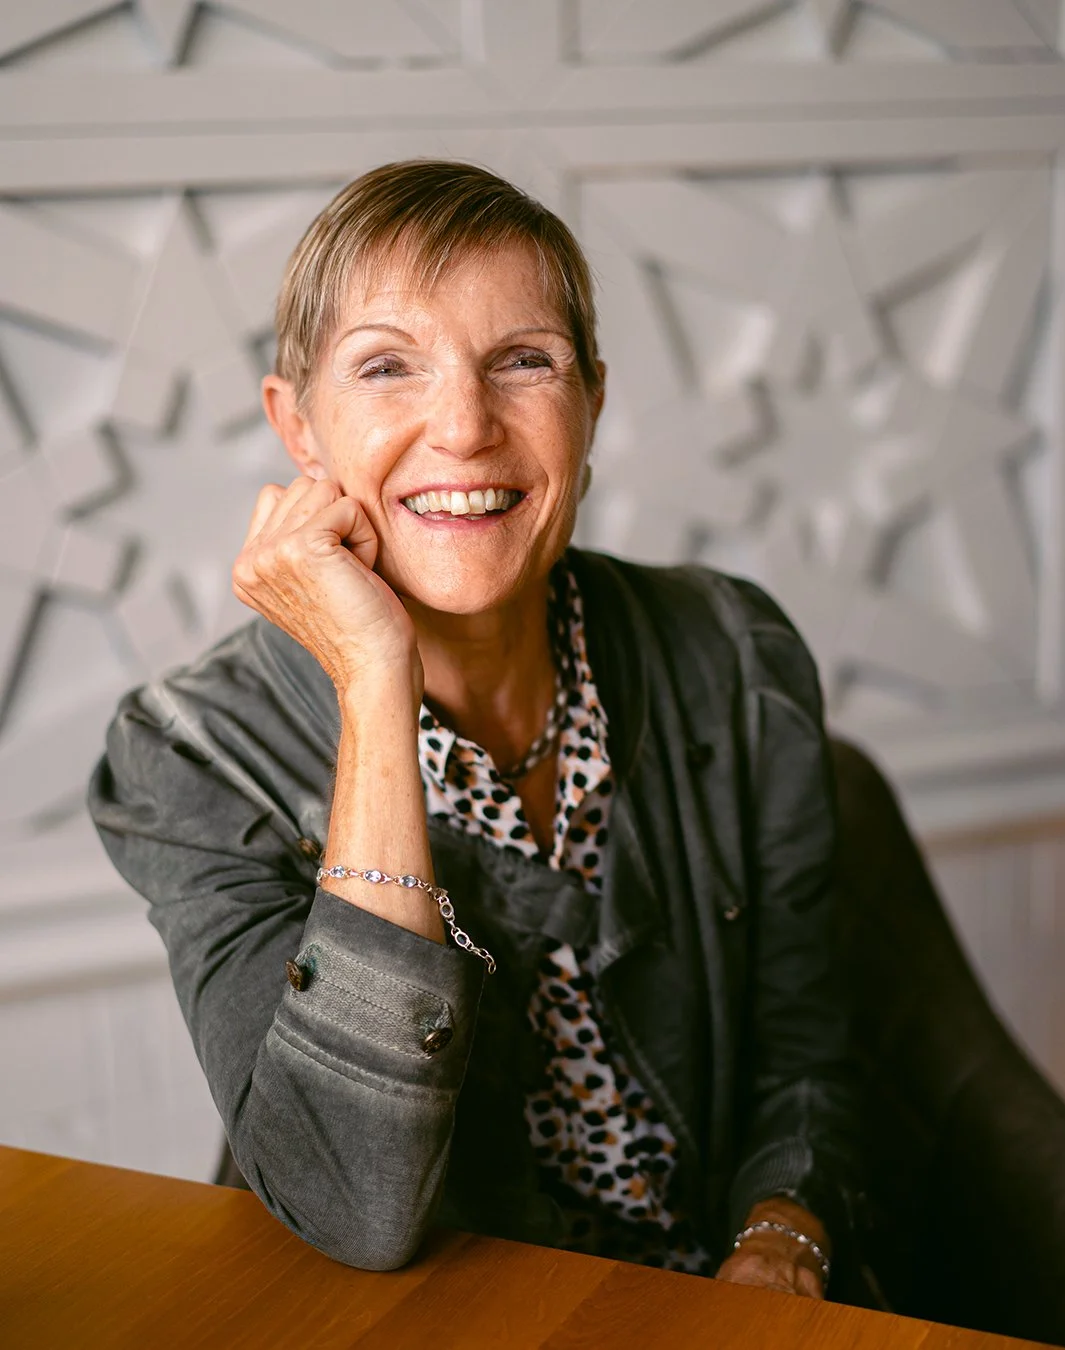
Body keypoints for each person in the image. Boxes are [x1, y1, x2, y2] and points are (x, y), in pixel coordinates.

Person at [88, 159, 860, 1298]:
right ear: (297, 429)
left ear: (591, 398)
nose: (463, 426)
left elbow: (810, 1035)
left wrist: (783, 1236)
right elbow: (355, 1199)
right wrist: (371, 682)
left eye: (524, 361)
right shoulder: (190, 755)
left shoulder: (733, 651)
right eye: (388, 367)